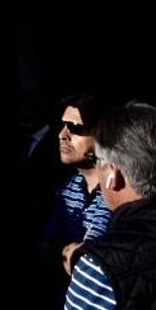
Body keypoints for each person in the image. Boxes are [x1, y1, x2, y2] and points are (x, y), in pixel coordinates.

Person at [57, 102, 156, 310]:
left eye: (99, 161)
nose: (64, 135)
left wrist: (94, 260)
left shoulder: (98, 269)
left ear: (113, 172)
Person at [43, 95, 113, 272]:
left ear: (101, 135)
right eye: (63, 126)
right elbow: (47, 243)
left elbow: (87, 254)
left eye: (74, 128)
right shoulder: (69, 187)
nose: (62, 135)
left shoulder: (116, 188)